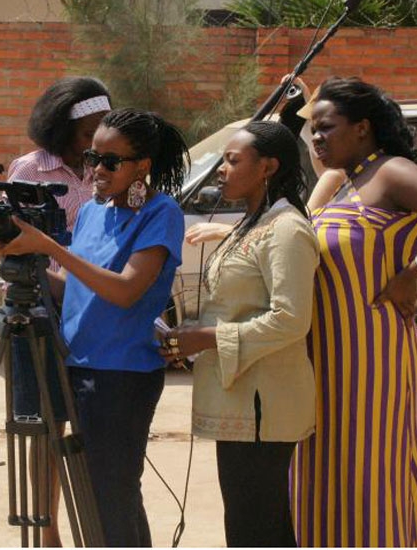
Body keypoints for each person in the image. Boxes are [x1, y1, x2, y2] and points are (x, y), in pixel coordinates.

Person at [291, 77, 417, 547]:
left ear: (362, 128)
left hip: (369, 356)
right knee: (323, 469)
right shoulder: (342, 182)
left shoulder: (392, 172)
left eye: (327, 128)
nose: (317, 138)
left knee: (370, 468)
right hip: (322, 356)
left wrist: (413, 272)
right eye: (313, 130)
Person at [0, 107, 188, 546]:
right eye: (91, 158)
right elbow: (72, 290)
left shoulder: (161, 213)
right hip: (74, 366)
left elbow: (125, 291)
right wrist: (15, 257)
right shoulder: (92, 213)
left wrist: (49, 246)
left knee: (111, 495)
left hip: (121, 377)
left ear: (142, 166)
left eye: (110, 161)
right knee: (86, 491)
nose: (96, 170)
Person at [160, 121, 319, 547]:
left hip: (265, 406)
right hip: (243, 402)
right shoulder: (253, 223)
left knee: (257, 524)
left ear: (267, 166)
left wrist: (205, 337)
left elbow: (290, 318)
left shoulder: (287, 230)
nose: (221, 171)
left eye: (232, 161)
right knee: (251, 520)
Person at [5, 76, 111, 547]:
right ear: (63, 128)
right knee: (45, 429)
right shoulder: (29, 169)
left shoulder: (108, 171)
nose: (95, 143)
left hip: (92, 317)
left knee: (86, 429)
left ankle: (94, 528)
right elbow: (5, 241)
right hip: (39, 314)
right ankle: (47, 533)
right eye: (88, 133)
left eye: (103, 131)